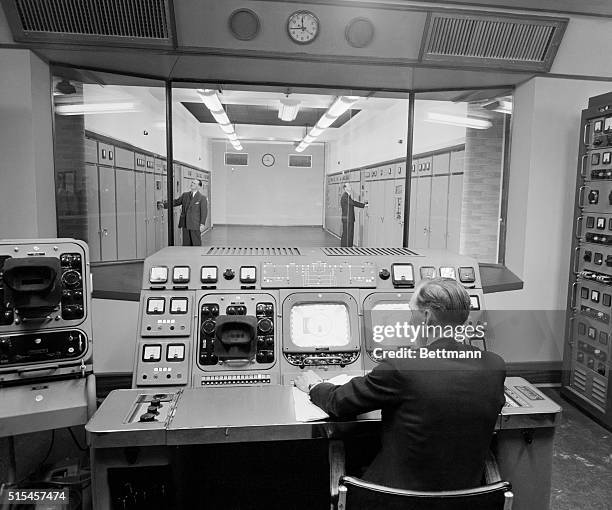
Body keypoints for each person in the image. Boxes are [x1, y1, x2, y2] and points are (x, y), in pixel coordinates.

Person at [295, 278, 506, 491]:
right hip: (466, 499)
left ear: (426, 317)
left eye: (411, 312)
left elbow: (338, 402)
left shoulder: (401, 365)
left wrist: (315, 385)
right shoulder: (494, 366)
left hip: (393, 499)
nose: (408, 321)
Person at [159, 179, 208, 246]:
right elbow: (176, 202)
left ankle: (196, 256)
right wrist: (164, 205)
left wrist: (202, 224)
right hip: (185, 223)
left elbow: (204, 212)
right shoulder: (185, 195)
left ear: (199, 187)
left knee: (196, 243)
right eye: (192, 182)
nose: (192, 184)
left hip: (195, 224)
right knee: (186, 243)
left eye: (194, 183)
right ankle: (186, 256)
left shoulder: (202, 198)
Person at [340, 183, 367, 247]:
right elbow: (353, 203)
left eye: (350, 185)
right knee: (347, 234)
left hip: (349, 219)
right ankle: (346, 247)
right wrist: (363, 205)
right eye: (349, 186)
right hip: (348, 219)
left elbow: (352, 202)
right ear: (345, 188)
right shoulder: (345, 196)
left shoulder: (347, 195)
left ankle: (347, 247)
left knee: (348, 234)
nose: (350, 187)